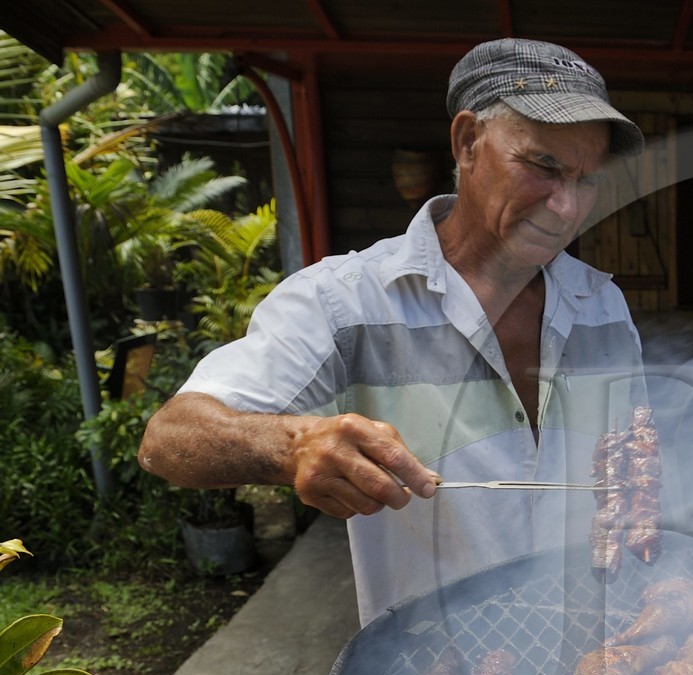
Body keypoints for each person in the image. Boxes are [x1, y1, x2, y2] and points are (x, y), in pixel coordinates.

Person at [139, 39, 647, 624]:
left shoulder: (601, 303)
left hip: (595, 670)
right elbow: (169, 440)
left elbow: (627, 465)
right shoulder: (344, 300)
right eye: (544, 166)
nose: (565, 206)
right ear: (467, 142)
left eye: (588, 181)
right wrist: (293, 447)